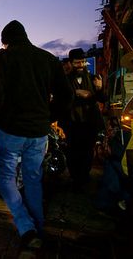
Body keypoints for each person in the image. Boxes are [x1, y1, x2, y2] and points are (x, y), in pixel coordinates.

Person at [0, 20, 73, 250]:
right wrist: (47, 117)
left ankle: (26, 227)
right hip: (38, 132)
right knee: (33, 178)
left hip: (10, 131)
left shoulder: (1, 59)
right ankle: (38, 229)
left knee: (6, 179)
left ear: (5, 42)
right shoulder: (48, 59)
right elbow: (66, 95)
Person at [60, 48, 105, 190]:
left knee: (87, 151)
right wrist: (76, 92)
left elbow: (102, 98)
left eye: (83, 62)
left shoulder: (93, 78)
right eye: (77, 62)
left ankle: (84, 177)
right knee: (73, 151)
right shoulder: (65, 81)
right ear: (71, 63)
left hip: (89, 121)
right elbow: (61, 98)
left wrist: (99, 88)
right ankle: (75, 178)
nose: (81, 65)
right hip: (72, 122)